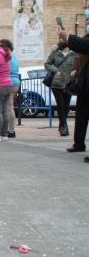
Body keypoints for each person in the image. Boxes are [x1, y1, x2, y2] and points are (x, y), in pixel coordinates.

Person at [57, 27, 89, 162]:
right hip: (86, 84)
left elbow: (84, 45)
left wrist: (68, 37)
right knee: (81, 115)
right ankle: (79, 144)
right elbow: (81, 47)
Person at [44, 42, 77, 136]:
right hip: (57, 82)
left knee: (66, 106)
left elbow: (79, 64)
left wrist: (75, 70)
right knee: (61, 104)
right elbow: (47, 65)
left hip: (69, 82)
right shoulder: (55, 52)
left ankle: (62, 124)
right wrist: (56, 70)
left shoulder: (74, 53)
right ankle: (63, 126)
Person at [1, 39, 20, 138]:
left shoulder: (6, 57)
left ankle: (10, 130)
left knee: (7, 108)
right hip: (16, 82)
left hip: (8, 82)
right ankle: (11, 129)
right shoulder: (15, 57)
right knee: (10, 107)